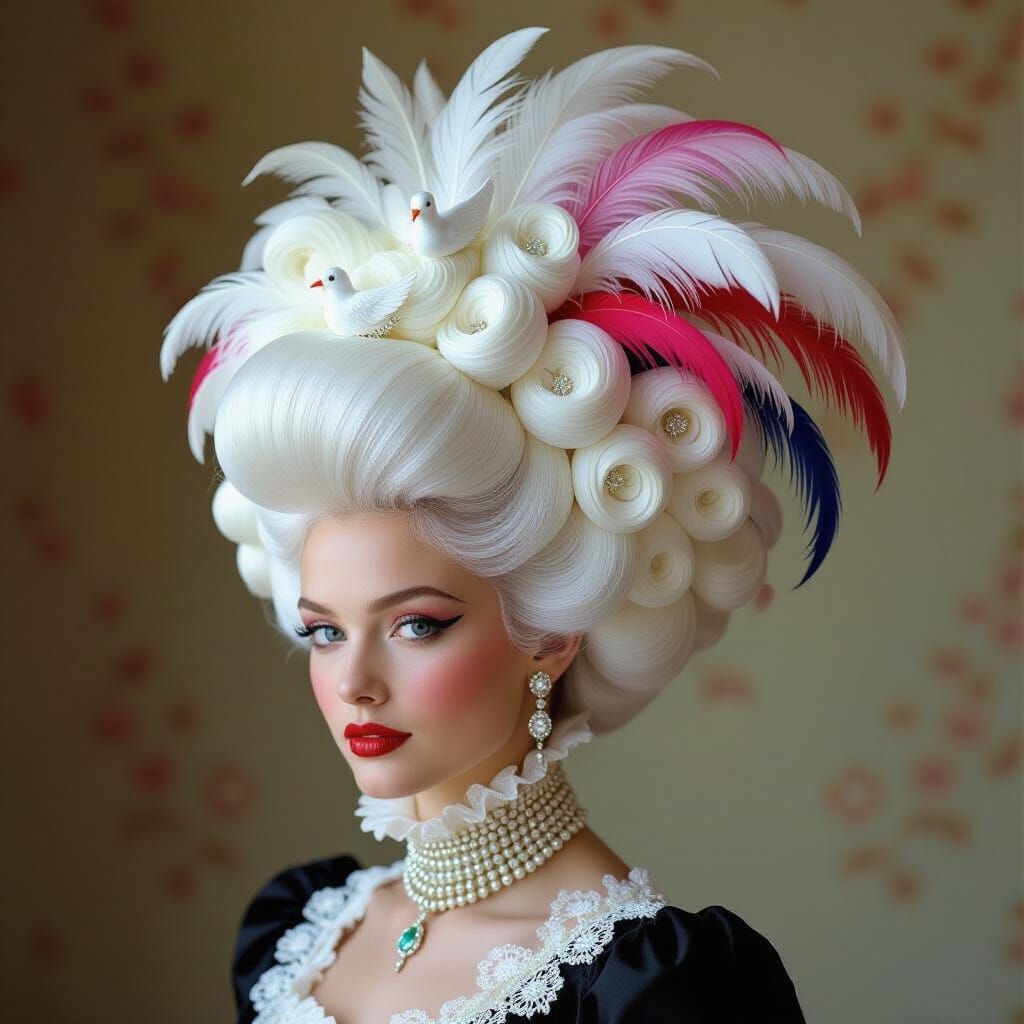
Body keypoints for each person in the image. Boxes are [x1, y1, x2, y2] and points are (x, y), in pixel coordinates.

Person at [159, 26, 907, 1024]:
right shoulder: (293, 929)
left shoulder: (658, 988)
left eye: (417, 622)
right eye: (322, 629)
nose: (354, 681)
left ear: (550, 633)